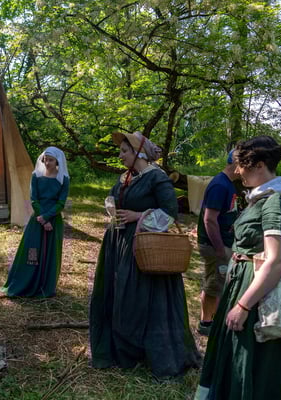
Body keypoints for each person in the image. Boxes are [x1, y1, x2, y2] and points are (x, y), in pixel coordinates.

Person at [89, 131, 201, 377]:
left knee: (142, 297)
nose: (120, 156)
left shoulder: (157, 178)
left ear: (139, 152)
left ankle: (147, 350)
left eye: (124, 151)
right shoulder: (127, 177)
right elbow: (114, 199)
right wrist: (114, 210)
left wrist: (138, 216)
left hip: (145, 245)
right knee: (121, 292)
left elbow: (170, 213)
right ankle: (123, 349)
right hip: (119, 241)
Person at [195, 135, 281, 400]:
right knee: (233, 355)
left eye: (242, 165)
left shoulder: (277, 201)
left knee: (252, 359)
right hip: (243, 285)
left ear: (260, 165)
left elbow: (278, 260)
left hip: (258, 295)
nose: (238, 171)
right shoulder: (262, 198)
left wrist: (244, 305)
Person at [1, 146, 69, 297]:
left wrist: (47, 217)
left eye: (51, 160)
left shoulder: (63, 179)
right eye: (45, 159)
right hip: (37, 220)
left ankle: (45, 286)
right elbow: (34, 199)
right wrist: (43, 219)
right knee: (32, 252)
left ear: (57, 161)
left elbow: (61, 203)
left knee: (50, 253)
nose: (47, 163)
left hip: (54, 221)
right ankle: (25, 283)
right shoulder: (36, 176)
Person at [197, 150, 239, 336]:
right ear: (236, 163)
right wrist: (220, 249)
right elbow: (209, 220)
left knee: (217, 282)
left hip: (221, 244)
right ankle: (206, 323)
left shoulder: (228, 184)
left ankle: (212, 320)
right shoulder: (220, 185)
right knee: (214, 284)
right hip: (214, 245)